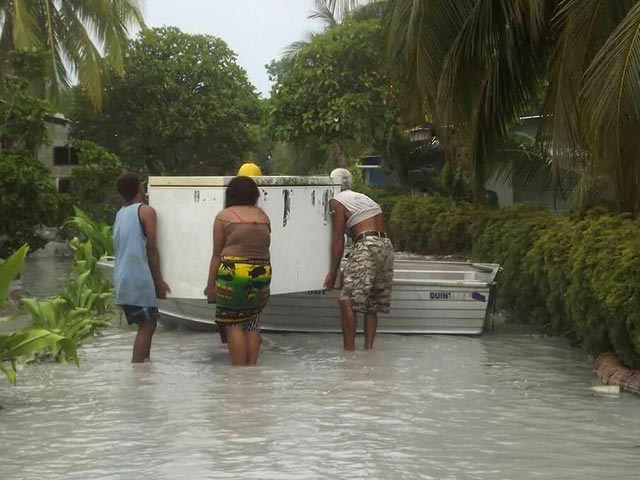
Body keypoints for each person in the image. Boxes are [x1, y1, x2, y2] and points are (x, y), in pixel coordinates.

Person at [323, 168, 394, 351]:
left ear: (333, 185)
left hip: (367, 243)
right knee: (371, 303)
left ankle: (349, 352)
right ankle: (368, 351)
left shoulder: (336, 201)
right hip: (386, 245)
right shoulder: (364, 197)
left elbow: (338, 239)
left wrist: (333, 272)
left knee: (346, 299)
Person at [204, 176, 271, 366]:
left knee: (233, 325)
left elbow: (217, 254)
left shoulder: (224, 216)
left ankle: (239, 376)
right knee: (252, 323)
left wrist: (211, 287)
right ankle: (251, 374)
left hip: (233, 272)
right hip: (261, 272)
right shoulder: (263, 217)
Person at [113, 171, 171, 363]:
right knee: (148, 324)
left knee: (146, 323)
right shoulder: (145, 211)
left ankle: (143, 372)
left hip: (122, 277)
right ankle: (138, 368)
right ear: (140, 188)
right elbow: (152, 247)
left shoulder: (120, 213)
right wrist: (159, 281)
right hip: (138, 277)